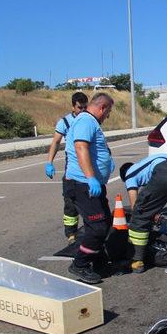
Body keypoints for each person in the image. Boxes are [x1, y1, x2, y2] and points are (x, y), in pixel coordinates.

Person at [64, 93, 116, 284]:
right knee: (97, 227)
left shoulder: (90, 122)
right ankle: (80, 264)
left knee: (103, 223)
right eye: (108, 112)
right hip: (83, 184)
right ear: (102, 107)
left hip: (92, 184)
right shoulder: (86, 121)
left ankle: (98, 261)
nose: (107, 116)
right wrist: (91, 177)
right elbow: (81, 148)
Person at [45, 92, 88, 244]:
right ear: (73, 106)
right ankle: (71, 234)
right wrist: (49, 162)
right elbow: (56, 142)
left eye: (85, 107)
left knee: (91, 199)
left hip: (88, 164)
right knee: (70, 202)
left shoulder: (89, 119)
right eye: (79, 107)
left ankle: (91, 230)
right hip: (72, 165)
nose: (82, 110)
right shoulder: (65, 122)